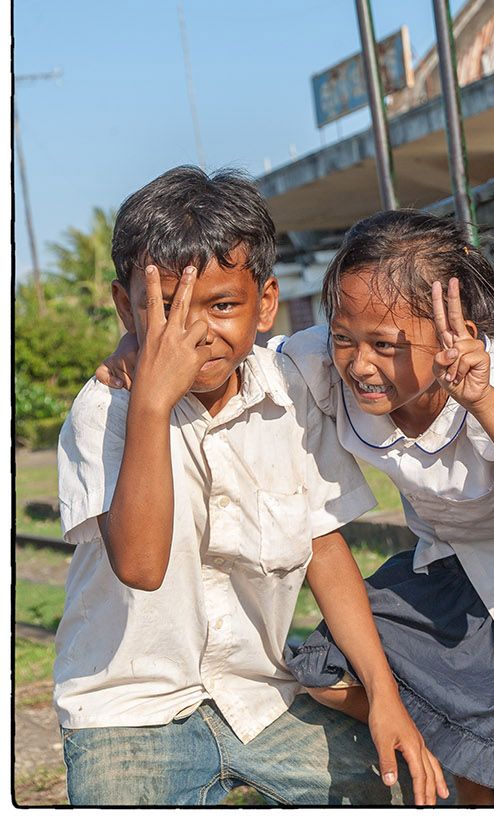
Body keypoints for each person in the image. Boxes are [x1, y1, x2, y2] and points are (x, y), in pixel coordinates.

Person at [99, 209, 494, 804]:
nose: (360, 364)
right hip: (448, 572)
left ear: (455, 335)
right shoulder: (322, 363)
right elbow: (236, 349)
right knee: (324, 668)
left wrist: (483, 401)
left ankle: (479, 791)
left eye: (386, 345)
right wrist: (137, 344)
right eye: (343, 337)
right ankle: (453, 777)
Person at [57, 166, 446, 806]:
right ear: (127, 308)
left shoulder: (290, 391)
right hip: (127, 710)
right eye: (166, 309)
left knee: (409, 786)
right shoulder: (106, 412)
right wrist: (152, 402)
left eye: (221, 306)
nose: (195, 334)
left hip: (262, 697)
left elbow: (323, 548)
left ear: (265, 303)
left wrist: (383, 695)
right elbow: (141, 566)